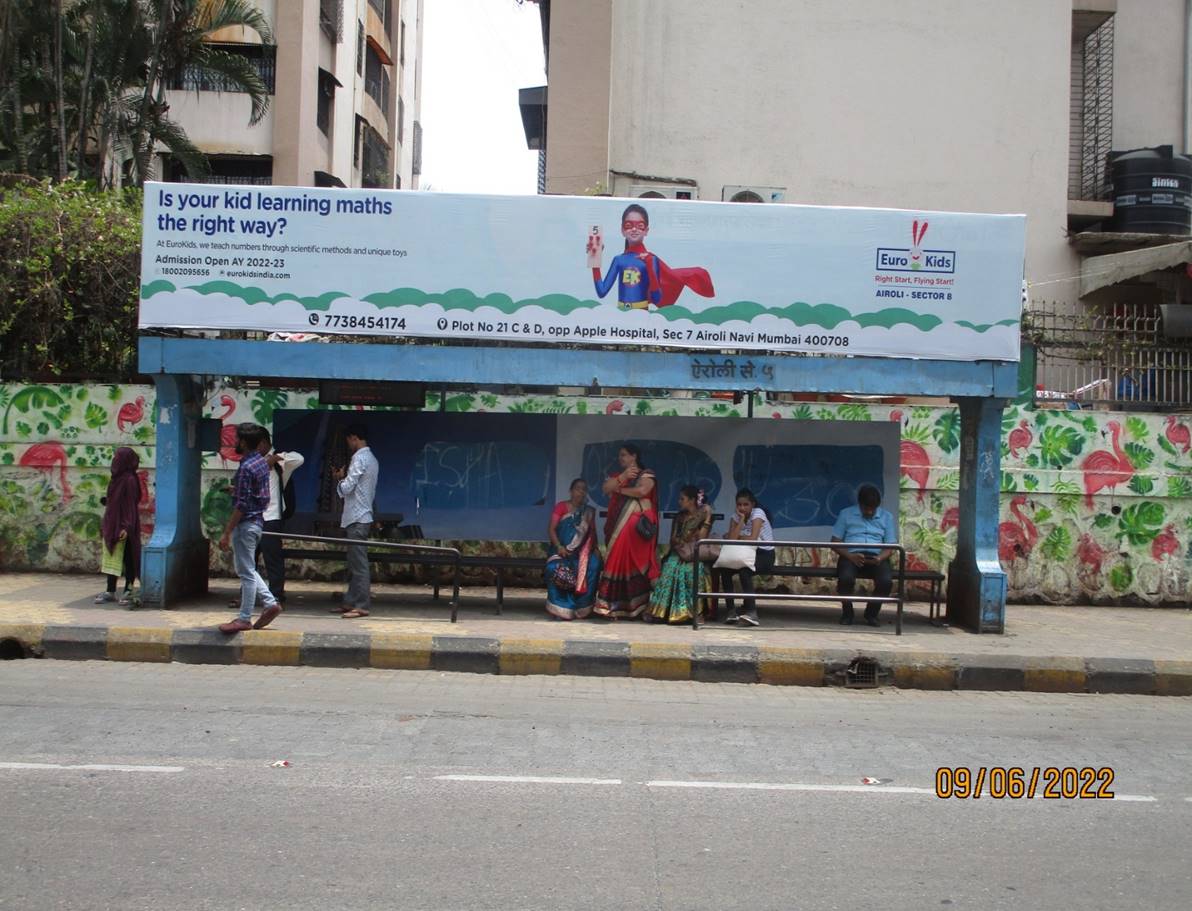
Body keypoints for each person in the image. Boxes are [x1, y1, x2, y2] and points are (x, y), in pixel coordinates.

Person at [588, 203, 715, 310]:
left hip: (642, 314)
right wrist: (595, 259)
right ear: (622, 230)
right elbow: (602, 291)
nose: (634, 229)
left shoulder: (651, 259)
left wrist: (650, 268)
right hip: (620, 314)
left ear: (646, 230)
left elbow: (656, 298)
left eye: (640, 226)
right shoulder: (619, 260)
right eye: (628, 225)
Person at [218, 423, 282, 633]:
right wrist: (237, 490)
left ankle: (244, 618)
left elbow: (242, 505)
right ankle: (270, 603)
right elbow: (257, 495)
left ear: (244, 442)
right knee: (248, 569)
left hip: (245, 525)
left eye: (237, 439)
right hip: (257, 522)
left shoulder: (246, 467)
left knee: (245, 572)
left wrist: (227, 532)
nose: (234, 443)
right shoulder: (261, 464)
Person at [594, 443, 660, 618]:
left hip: (637, 532)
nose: (620, 458)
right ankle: (611, 606)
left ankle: (637, 607)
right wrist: (622, 477)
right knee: (616, 561)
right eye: (620, 455)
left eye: (624, 455)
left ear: (634, 456)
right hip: (618, 527)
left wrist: (621, 489)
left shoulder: (647, 474)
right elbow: (606, 488)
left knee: (636, 565)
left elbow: (642, 490)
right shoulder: (619, 476)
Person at [831, 484, 898, 627]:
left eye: (872, 509)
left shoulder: (887, 517)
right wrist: (850, 556)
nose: (869, 512)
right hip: (851, 556)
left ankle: (872, 614)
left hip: (876, 557)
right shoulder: (846, 514)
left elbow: (891, 546)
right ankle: (847, 613)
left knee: (886, 582)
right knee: (845, 579)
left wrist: (880, 558)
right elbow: (835, 542)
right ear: (859, 504)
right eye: (866, 508)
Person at [646, 485, 713, 624]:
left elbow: (702, 538)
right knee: (670, 569)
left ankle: (695, 613)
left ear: (692, 500)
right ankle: (662, 611)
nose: (679, 501)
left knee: (693, 571)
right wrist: (684, 540)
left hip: (695, 554)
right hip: (678, 552)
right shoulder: (679, 517)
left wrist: (707, 518)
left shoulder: (704, 517)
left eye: (682, 499)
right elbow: (673, 538)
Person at [332, 423, 378, 619]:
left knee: (359, 565)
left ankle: (362, 605)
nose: (348, 444)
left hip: (357, 516)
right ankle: (350, 601)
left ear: (354, 438)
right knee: (354, 564)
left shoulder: (359, 458)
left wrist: (340, 480)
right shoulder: (372, 459)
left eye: (349, 440)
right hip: (360, 515)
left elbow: (348, 487)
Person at [544, 478, 603, 620]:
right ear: (571, 491)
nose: (581, 492)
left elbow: (591, 534)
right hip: (561, 551)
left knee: (594, 564)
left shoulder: (588, 512)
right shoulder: (561, 507)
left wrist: (596, 550)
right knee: (554, 568)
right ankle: (562, 609)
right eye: (578, 488)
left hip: (581, 553)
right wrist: (559, 547)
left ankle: (582, 608)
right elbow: (551, 529)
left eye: (584, 489)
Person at [716, 488, 775, 627]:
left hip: (763, 554)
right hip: (743, 553)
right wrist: (741, 520)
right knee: (725, 571)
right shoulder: (736, 517)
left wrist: (738, 536)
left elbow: (753, 539)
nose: (742, 508)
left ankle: (751, 612)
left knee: (745, 571)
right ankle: (731, 611)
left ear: (752, 504)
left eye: (745, 504)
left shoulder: (758, 513)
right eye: (739, 505)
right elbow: (731, 539)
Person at [257, 429, 303, 605]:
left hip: (272, 517)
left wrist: (275, 458)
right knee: (249, 558)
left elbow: (299, 458)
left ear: (263, 442)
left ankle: (276, 594)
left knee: (272, 558)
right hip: (254, 516)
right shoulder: (253, 462)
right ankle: (246, 593)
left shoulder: (280, 462)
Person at [95, 447, 141, 606]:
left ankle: (128, 590)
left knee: (128, 558)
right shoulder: (116, 478)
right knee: (111, 555)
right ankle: (110, 590)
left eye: (117, 456)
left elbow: (130, 505)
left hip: (124, 525)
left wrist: (126, 527)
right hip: (112, 522)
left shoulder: (129, 480)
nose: (114, 459)